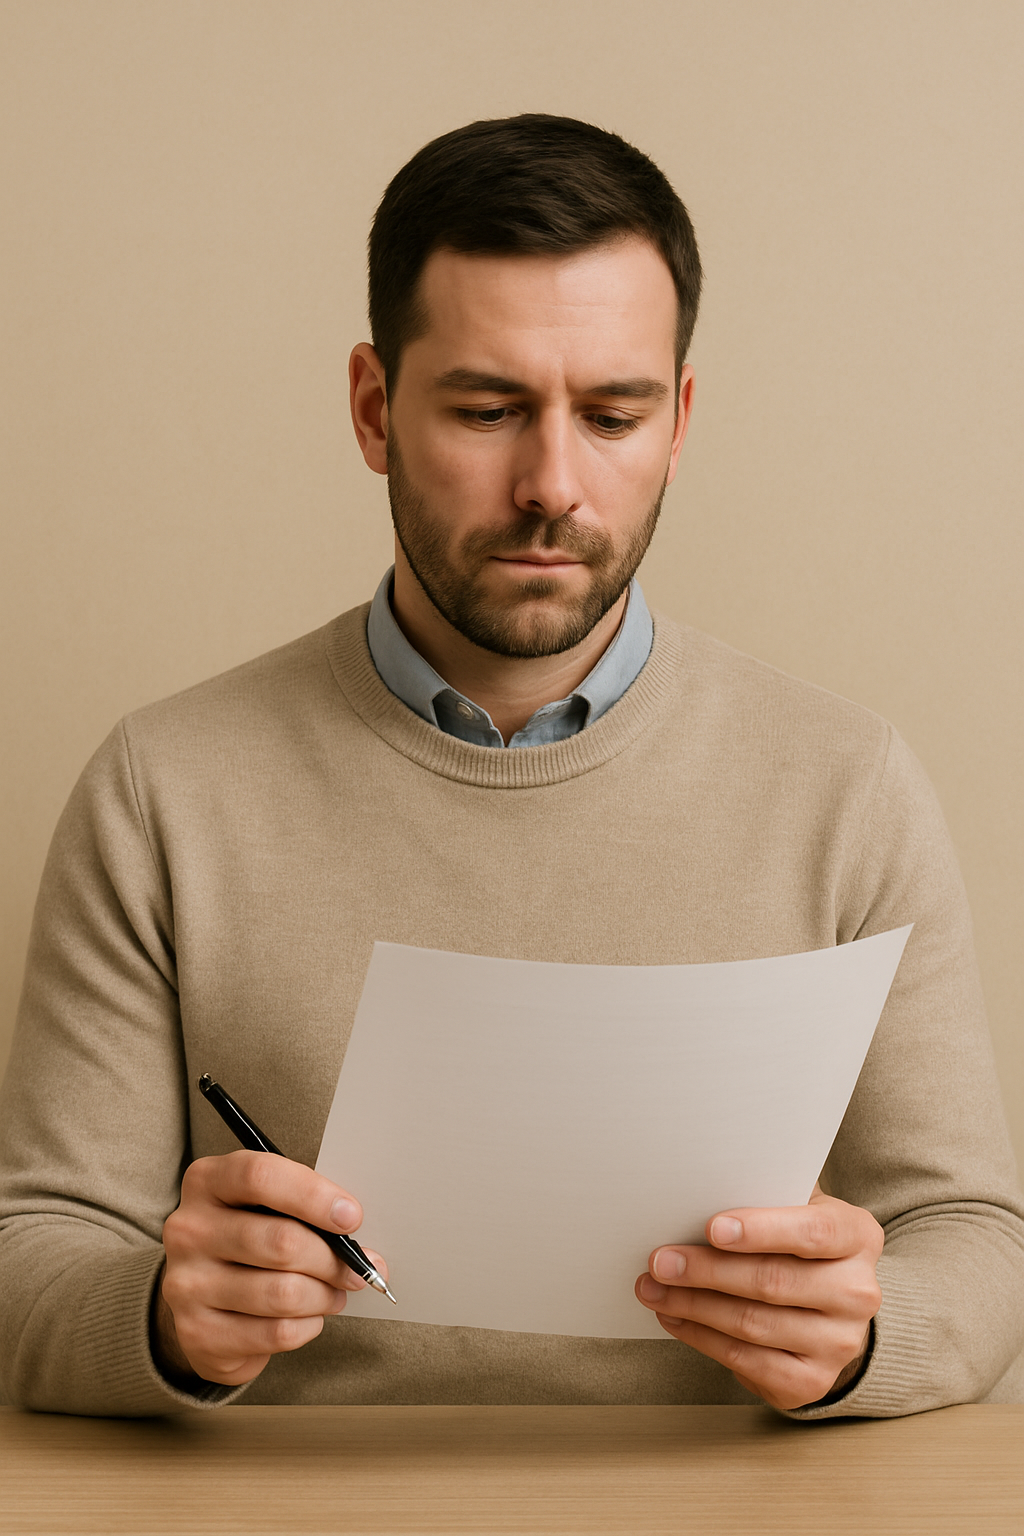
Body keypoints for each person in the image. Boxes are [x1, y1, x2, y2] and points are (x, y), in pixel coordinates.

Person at [1, 114, 1022, 1419]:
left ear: (681, 420)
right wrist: (158, 1315)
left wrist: (871, 1333)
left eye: (612, 413)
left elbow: (978, 1237)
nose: (553, 482)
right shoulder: (163, 789)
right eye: (488, 410)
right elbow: (34, 1252)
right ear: (374, 409)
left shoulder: (847, 786)